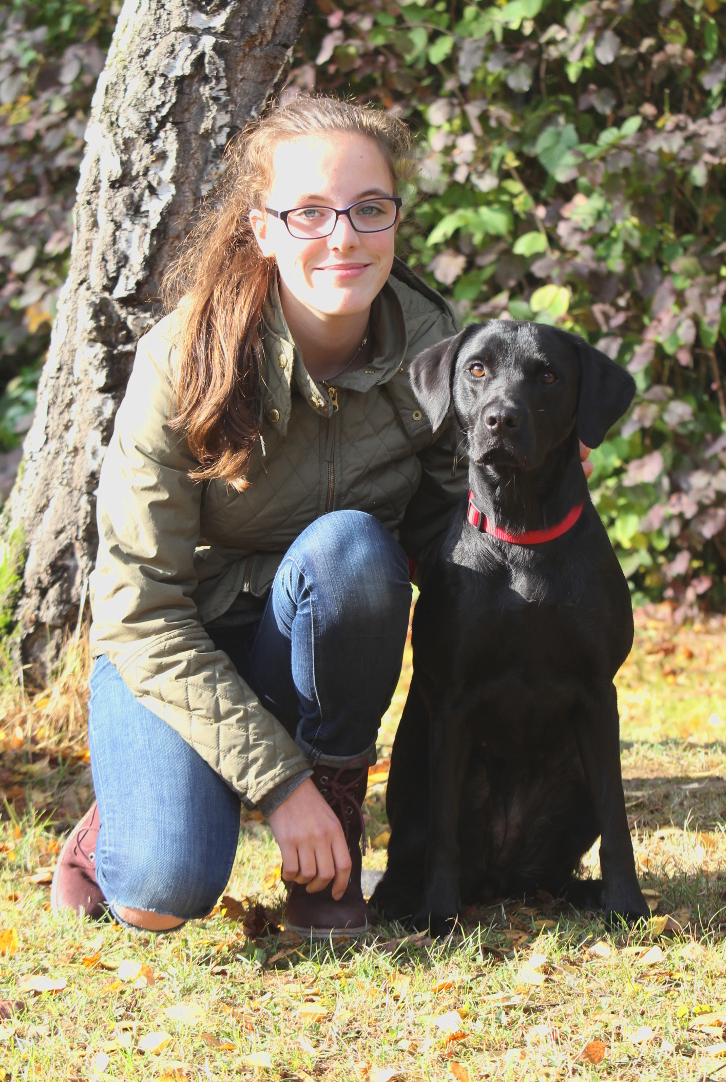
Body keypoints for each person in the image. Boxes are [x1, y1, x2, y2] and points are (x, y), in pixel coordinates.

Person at [50, 95, 467, 938]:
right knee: (160, 893)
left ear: (394, 219)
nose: (343, 237)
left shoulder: (437, 355)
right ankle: (110, 833)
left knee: (352, 549)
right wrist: (279, 786)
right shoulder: (183, 358)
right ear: (262, 228)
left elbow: (453, 531)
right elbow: (140, 617)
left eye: (368, 209)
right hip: (176, 646)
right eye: (309, 212)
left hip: (312, 641)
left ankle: (334, 832)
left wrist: (536, 469)